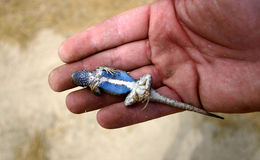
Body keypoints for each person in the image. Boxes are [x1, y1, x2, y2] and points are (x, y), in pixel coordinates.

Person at [48, 0, 260, 128]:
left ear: (86, 83)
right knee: (133, 99)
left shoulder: (95, 88)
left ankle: (145, 98)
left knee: (127, 105)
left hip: (137, 92)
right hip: (141, 84)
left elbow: (98, 92)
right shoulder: (100, 70)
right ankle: (146, 96)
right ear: (86, 72)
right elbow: (108, 71)